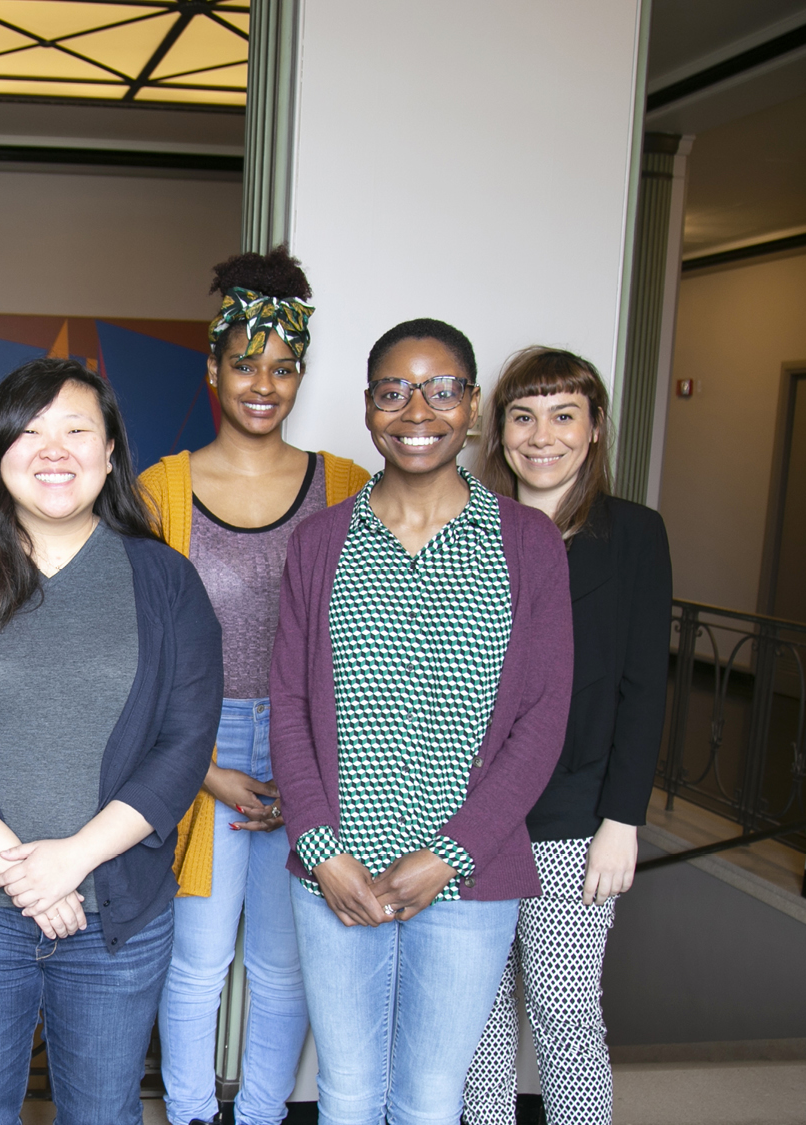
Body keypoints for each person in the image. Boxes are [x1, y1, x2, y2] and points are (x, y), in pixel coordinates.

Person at [0, 358, 222, 1125]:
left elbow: (184, 743)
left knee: (104, 1111)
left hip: (116, 913)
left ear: (110, 450)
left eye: (76, 430)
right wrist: (26, 871)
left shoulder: (165, 581)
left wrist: (73, 859)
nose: (53, 449)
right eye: (29, 431)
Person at [270, 319, 573, 1125]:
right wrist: (321, 849)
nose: (417, 411)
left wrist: (450, 853)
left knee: (431, 1096)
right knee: (346, 1091)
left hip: (467, 875)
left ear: (471, 406)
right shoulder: (321, 542)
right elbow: (291, 705)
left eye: (442, 390)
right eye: (393, 391)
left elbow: (542, 719)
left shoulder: (528, 543)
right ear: (369, 406)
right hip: (338, 870)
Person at [142, 245, 371, 1125]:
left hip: (312, 744)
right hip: (195, 740)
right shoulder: (161, 489)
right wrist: (201, 766)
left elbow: (368, 641)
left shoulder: (347, 486)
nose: (263, 384)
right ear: (213, 370)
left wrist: (311, 767)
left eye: (282, 368)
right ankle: (193, 1114)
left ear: (301, 375)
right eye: (244, 364)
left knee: (284, 963)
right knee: (196, 959)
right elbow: (139, 653)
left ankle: (264, 1113)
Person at [463, 347, 672, 1125]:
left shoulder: (635, 535)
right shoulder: (471, 527)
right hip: (472, 810)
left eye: (563, 415)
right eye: (523, 415)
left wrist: (623, 818)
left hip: (576, 815)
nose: (541, 435)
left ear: (595, 428)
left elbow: (644, 687)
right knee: (476, 1014)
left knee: (563, 1009)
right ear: (499, 430)